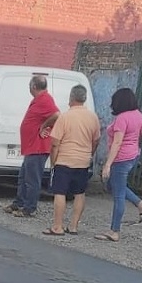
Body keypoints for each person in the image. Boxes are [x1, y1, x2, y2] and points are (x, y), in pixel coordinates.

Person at [95, 88, 142, 242]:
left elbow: (117, 143)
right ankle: (141, 205)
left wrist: (108, 165)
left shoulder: (122, 119)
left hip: (120, 159)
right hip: (133, 156)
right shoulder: (138, 115)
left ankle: (114, 231)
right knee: (113, 186)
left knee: (118, 194)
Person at [43, 85, 101, 236]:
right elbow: (96, 140)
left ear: (71, 98)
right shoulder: (93, 117)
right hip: (83, 161)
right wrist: (89, 154)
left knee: (60, 192)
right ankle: (74, 226)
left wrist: (53, 161)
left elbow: (55, 143)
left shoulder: (65, 117)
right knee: (80, 193)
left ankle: (57, 226)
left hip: (65, 159)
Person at [3, 75, 60, 218]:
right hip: (31, 147)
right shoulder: (39, 100)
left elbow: (57, 114)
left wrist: (44, 125)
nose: (29, 88)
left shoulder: (46, 99)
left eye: (29, 86)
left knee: (32, 179)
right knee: (23, 177)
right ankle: (19, 202)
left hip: (38, 147)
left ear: (34, 86)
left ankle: (29, 207)